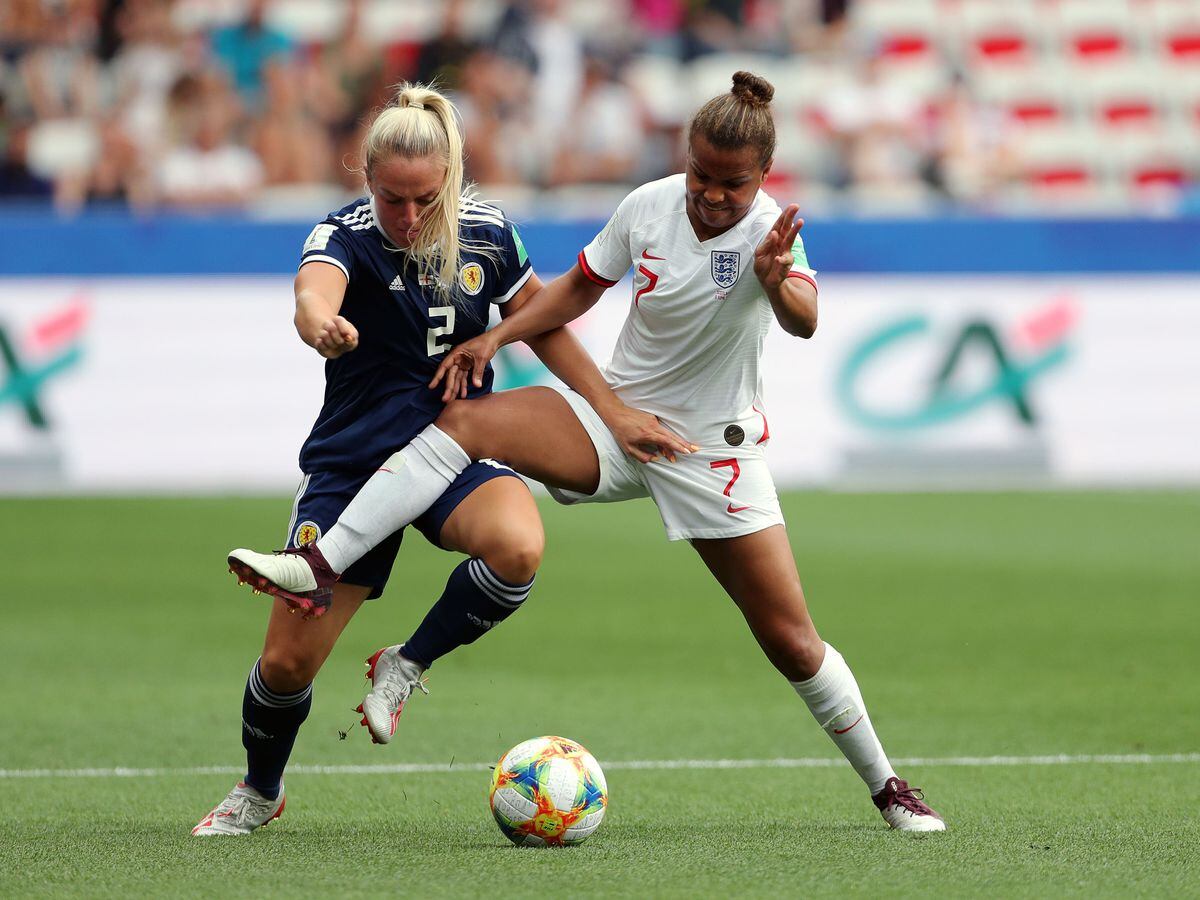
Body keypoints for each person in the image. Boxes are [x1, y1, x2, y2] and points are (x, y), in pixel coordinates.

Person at [230, 72, 947, 833]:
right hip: (610, 422)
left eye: (729, 184)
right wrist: (496, 338)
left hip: (710, 451)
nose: (710, 195)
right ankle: (322, 585)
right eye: (700, 174)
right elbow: (573, 289)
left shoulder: (772, 232)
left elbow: (803, 317)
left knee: (789, 639)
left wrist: (777, 284)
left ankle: (889, 787)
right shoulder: (648, 205)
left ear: (762, 177)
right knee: (470, 424)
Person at [195, 81, 688, 837]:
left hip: (455, 452)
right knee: (290, 666)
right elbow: (310, 294)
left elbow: (544, 324)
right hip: (355, 470)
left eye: (426, 198)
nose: (410, 215)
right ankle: (261, 790)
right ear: (366, 181)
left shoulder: (488, 234)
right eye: (393, 198)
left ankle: (408, 663)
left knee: (519, 545)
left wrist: (613, 412)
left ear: (451, 181)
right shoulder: (344, 235)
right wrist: (319, 323)